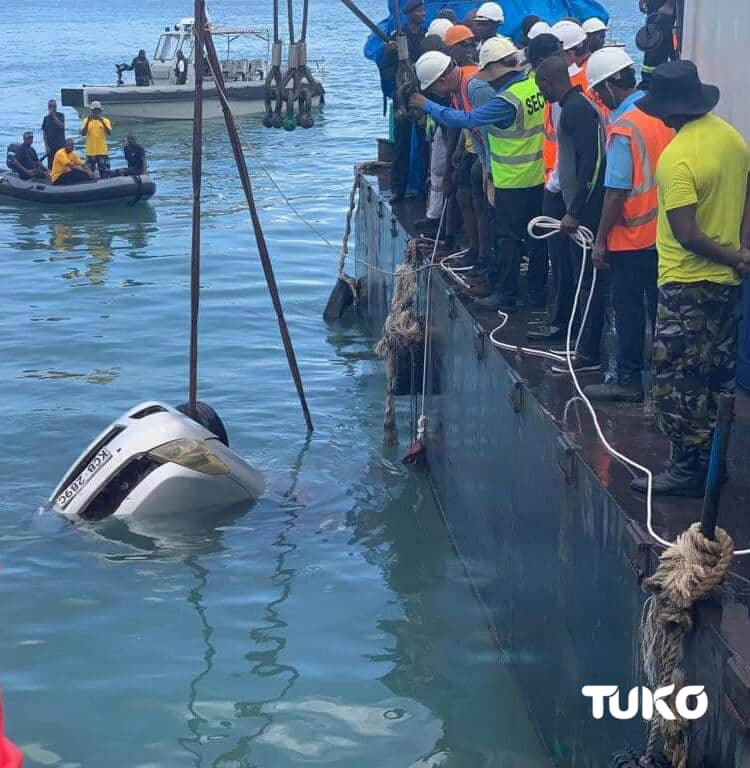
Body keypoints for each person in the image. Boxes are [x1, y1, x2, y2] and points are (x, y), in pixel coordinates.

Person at [629, 61, 750, 496]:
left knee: (678, 381)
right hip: (726, 285)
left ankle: (686, 469)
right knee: (717, 377)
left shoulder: (676, 158)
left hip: (686, 288)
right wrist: (741, 252)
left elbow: (687, 234)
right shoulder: (732, 139)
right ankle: (714, 464)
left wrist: (732, 252)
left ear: (665, 112)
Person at [412, 36, 547, 311]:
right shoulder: (533, 85)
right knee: (536, 241)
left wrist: (425, 104)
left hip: (511, 179)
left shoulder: (504, 99)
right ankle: (536, 294)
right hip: (537, 176)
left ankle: (507, 298)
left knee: (507, 240)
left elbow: (466, 120)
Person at [582, 48, 674, 403]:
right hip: (666, 233)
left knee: (629, 310)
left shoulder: (623, 127)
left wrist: (601, 239)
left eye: (598, 92)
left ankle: (628, 378)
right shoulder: (662, 115)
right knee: (660, 310)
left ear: (607, 87)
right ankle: (663, 378)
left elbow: (616, 191)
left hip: (632, 237)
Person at [535, 52, 608, 374]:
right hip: (568, 203)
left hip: (583, 213)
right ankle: (578, 339)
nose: (542, 94)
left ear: (551, 83)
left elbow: (592, 164)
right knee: (576, 276)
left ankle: (589, 352)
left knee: (587, 281)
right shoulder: (569, 107)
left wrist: (576, 211)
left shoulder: (577, 110)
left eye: (542, 87)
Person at [376, 0, 427, 202]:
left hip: (423, 96)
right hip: (402, 99)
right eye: (420, 10)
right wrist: (389, 54)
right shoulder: (396, 39)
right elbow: (386, 68)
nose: (423, 14)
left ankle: (422, 187)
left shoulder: (426, 37)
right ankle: (398, 189)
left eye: (423, 10)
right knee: (401, 145)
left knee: (425, 143)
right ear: (410, 13)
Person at [639, 0, 676, 88]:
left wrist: (669, 4)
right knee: (651, 42)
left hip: (663, 6)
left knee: (657, 47)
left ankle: (651, 85)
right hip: (654, 6)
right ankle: (649, 83)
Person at [81, 101, 112, 178]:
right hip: (90, 152)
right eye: (94, 110)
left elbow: (109, 133)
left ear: (100, 111)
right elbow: (83, 133)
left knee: (105, 173)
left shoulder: (105, 120)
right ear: (91, 111)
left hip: (102, 152)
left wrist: (102, 122)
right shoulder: (85, 120)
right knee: (89, 174)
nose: (95, 112)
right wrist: (88, 121)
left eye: (97, 110)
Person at [41, 99, 65, 171]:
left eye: (54, 106)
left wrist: (54, 117)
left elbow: (62, 126)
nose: (52, 108)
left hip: (60, 145)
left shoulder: (60, 115)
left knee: (61, 164)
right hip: (50, 146)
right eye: (50, 106)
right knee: (51, 165)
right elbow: (44, 133)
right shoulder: (46, 118)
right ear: (48, 107)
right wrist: (46, 146)